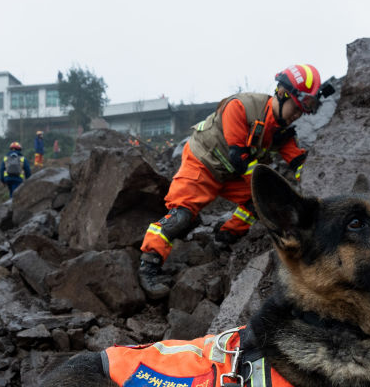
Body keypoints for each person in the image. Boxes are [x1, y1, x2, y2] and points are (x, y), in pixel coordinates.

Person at [137, 63, 332, 299]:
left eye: (303, 111)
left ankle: (226, 236)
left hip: (231, 174)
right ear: (281, 93)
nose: (297, 115)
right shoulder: (240, 107)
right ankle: (149, 264)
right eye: (296, 108)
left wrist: (315, 187)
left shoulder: (281, 131)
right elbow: (239, 159)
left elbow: (299, 164)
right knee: (182, 216)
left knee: (257, 203)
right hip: (202, 162)